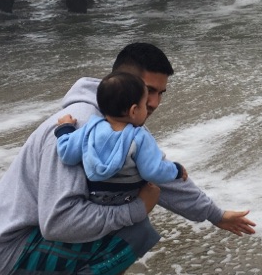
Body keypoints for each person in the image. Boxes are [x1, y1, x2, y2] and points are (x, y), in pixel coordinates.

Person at [0, 42, 256, 275]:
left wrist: (215, 214)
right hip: (10, 254)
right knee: (135, 232)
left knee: (121, 207)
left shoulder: (118, 119)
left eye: (161, 93)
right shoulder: (85, 126)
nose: (155, 103)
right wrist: (137, 209)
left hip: (28, 238)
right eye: (149, 91)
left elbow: (158, 176)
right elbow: (58, 221)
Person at [54, 71, 187, 206]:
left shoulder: (89, 130)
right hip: (129, 199)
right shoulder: (139, 137)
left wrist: (65, 127)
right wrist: (176, 170)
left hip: (96, 200)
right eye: (144, 105)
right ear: (134, 110)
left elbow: (66, 154)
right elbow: (152, 171)